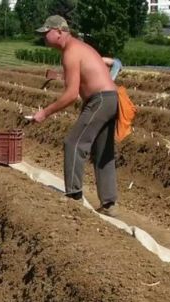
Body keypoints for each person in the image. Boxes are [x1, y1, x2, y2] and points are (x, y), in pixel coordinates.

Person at [29, 16, 119, 216]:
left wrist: (45, 112)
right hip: (111, 98)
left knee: (73, 143)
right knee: (103, 151)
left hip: (101, 100)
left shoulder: (70, 52)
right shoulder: (80, 47)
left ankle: (74, 197)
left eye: (46, 33)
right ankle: (109, 204)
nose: (43, 37)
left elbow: (70, 95)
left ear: (59, 32)